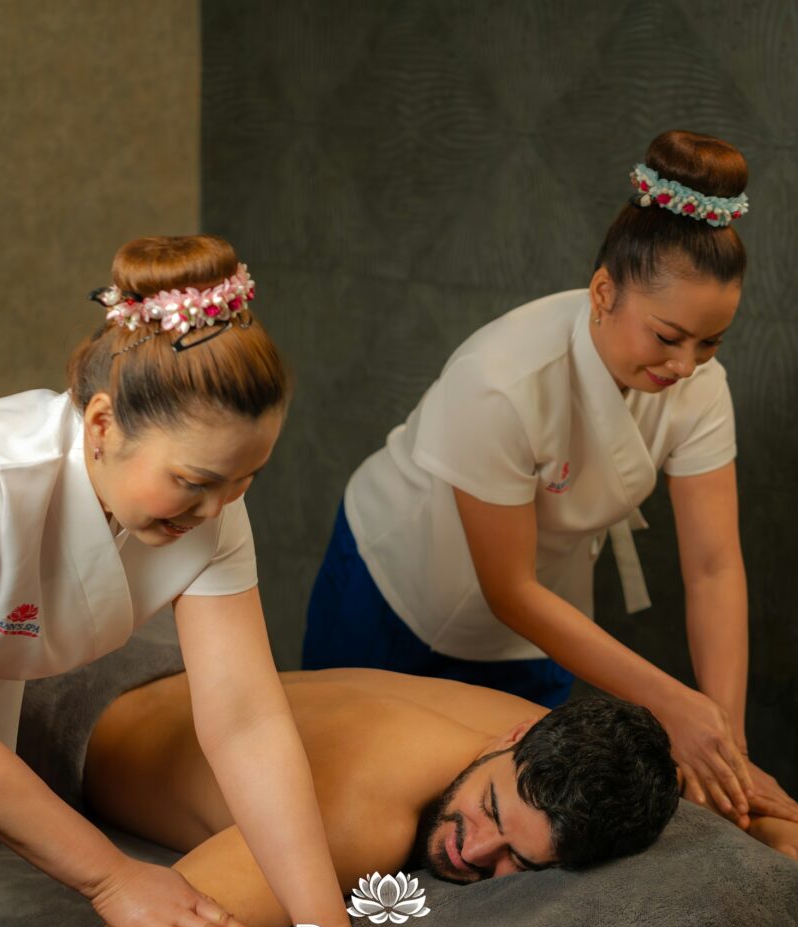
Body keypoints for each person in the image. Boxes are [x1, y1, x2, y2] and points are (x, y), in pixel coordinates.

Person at [0, 235, 483, 927]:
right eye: (194, 481)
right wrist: (113, 878)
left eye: (245, 479)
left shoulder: (210, 510)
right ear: (102, 423)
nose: (216, 510)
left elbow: (245, 719)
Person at [302, 129, 797, 830]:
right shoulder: (501, 379)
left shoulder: (698, 388)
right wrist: (669, 704)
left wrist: (726, 746)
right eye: (667, 337)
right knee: (346, 802)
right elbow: (507, 587)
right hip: (397, 586)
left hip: (544, 612)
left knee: (521, 822)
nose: (686, 365)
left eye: (710, 341)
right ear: (603, 292)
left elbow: (714, 567)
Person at [85, 667, 684, 927]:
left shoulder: (539, 731)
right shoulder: (362, 816)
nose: (475, 852)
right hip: (83, 722)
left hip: (172, 680)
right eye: (490, 809)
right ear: (516, 737)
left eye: (517, 860)